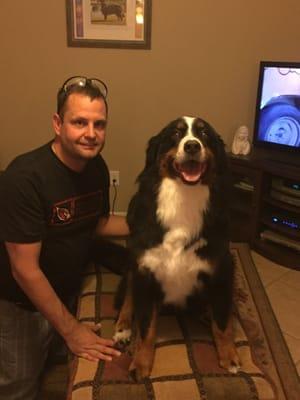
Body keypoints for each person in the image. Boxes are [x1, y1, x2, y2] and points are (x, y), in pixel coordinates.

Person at [0, 76, 130, 400]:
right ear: (58, 124)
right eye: (80, 122)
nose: (91, 133)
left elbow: (95, 222)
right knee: (19, 387)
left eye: (99, 124)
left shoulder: (95, 165)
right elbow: (24, 270)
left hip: (66, 290)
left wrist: (150, 224)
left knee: (56, 368)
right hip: (21, 305)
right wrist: (73, 331)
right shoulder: (24, 178)